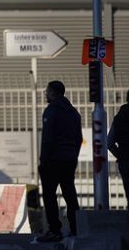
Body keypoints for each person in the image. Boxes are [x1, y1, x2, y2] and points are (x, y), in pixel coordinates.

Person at [36, 81, 82, 243]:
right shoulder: (74, 113)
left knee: (49, 195)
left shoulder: (52, 111)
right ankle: (76, 227)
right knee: (70, 194)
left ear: (54, 92)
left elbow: (47, 139)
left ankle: (55, 230)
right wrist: (73, 156)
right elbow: (78, 139)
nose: (45, 93)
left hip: (53, 160)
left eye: (47, 91)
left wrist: (43, 160)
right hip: (69, 160)